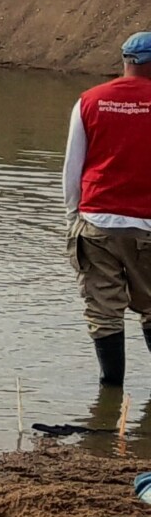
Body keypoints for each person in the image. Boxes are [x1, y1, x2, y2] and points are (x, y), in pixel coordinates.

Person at [66, 30, 151, 391]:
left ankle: (110, 396)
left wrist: (73, 217)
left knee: (104, 312)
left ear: (124, 62)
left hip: (98, 222)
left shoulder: (89, 101)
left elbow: (73, 166)